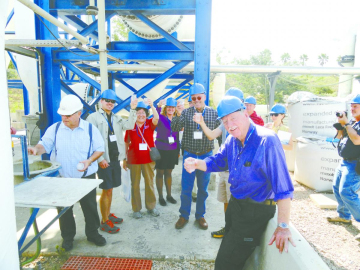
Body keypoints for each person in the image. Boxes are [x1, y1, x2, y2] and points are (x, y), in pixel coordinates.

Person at [184, 96, 295, 270]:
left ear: (245, 113)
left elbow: (284, 189)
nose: (229, 125)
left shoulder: (267, 141)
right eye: (225, 121)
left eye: (233, 118)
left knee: (224, 264)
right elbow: (219, 161)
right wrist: (197, 163)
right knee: (230, 252)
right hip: (236, 206)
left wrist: (282, 226)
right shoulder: (232, 139)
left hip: (254, 212)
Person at [28, 95, 106, 251]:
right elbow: (45, 144)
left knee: (90, 207)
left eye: (68, 115)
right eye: (63, 114)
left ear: (79, 113)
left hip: (86, 178)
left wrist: (89, 160)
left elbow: (100, 149)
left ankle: (92, 233)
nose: (65, 118)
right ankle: (68, 238)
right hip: (62, 178)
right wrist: (36, 149)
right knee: (64, 210)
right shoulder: (55, 129)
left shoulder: (90, 129)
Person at [192, 87, 245, 238]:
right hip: (224, 169)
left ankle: (234, 233)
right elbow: (211, 135)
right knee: (226, 201)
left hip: (236, 172)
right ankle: (228, 228)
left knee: (236, 203)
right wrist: (201, 122)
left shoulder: (247, 127)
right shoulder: (224, 124)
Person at [86, 89, 138, 234]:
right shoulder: (93, 118)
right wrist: (100, 159)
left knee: (110, 189)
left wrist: (133, 110)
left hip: (115, 158)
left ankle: (107, 214)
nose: (110, 103)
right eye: (107, 100)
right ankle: (104, 221)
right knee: (106, 190)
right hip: (104, 160)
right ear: (101, 101)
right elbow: (89, 141)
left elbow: (130, 126)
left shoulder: (116, 117)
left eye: (112, 101)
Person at [171, 83, 221, 230]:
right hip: (189, 154)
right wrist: (177, 113)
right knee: (186, 188)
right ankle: (184, 215)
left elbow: (219, 134)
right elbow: (174, 128)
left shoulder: (213, 113)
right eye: (193, 98)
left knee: (203, 189)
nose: (196, 100)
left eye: (199, 97)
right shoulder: (186, 113)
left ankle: (200, 216)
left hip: (206, 156)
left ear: (204, 97)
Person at [327, 94, 360, 241]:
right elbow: (341, 137)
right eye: (352, 106)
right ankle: (344, 216)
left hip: (355, 163)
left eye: (356, 106)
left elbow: (357, 140)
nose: (352, 109)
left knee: (347, 192)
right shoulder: (352, 122)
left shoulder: (353, 124)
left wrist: (346, 124)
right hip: (345, 161)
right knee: (336, 188)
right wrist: (341, 125)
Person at [123, 99, 160, 219]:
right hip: (134, 160)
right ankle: (136, 209)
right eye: (138, 112)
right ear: (135, 114)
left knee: (149, 184)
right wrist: (124, 158)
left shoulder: (149, 124)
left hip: (148, 160)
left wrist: (152, 106)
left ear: (146, 114)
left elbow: (157, 118)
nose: (141, 115)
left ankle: (151, 207)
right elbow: (126, 143)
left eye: (143, 112)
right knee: (135, 185)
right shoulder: (130, 125)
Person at [155, 97, 180, 206]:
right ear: (166, 108)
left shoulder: (176, 119)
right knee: (160, 172)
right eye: (168, 107)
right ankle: (160, 197)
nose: (170, 109)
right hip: (161, 149)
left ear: (174, 109)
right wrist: (158, 107)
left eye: (172, 107)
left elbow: (178, 136)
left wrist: (178, 150)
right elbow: (154, 117)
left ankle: (169, 195)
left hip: (172, 149)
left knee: (169, 172)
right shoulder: (160, 117)